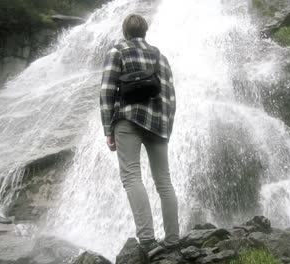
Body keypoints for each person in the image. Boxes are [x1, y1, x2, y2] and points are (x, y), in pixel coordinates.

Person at [99, 14, 179, 255]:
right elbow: (170, 96)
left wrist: (107, 129)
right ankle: (173, 239)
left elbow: (107, 91)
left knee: (132, 176)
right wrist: (166, 127)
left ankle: (148, 241)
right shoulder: (160, 57)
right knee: (164, 181)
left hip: (128, 120)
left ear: (125, 32)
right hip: (158, 123)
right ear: (145, 31)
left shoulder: (117, 51)